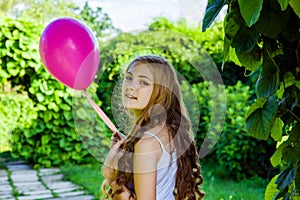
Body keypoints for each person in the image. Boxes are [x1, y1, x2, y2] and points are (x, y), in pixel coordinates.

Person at [102, 55, 204, 200]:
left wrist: (111, 175)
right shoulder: (166, 129)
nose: (131, 86)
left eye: (143, 82)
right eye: (129, 77)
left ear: (161, 91)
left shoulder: (147, 143)